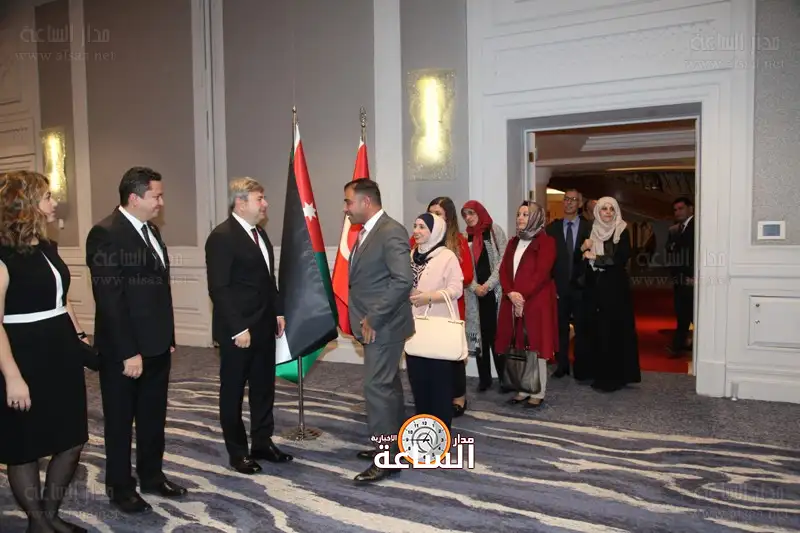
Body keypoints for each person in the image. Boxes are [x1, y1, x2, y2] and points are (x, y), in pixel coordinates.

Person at [85, 167, 186, 514]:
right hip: (124, 350)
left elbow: (160, 290)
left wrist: (167, 336)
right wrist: (129, 351)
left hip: (157, 345)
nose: (161, 202)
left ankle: (152, 476)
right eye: (156, 195)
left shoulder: (151, 230)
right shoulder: (105, 234)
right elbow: (110, 300)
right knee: (119, 421)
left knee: (153, 416)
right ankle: (120, 487)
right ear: (134, 197)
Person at [0, 171, 90, 533]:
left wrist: (80, 337)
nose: (55, 203)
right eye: (48, 197)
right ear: (26, 205)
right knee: (25, 445)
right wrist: (12, 377)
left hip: (60, 350)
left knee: (72, 439)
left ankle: (50, 515)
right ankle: (38, 523)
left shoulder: (48, 245)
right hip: (22, 354)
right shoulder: (3, 254)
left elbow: (62, 300)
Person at [205, 178, 292, 475]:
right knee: (233, 392)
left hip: (265, 326)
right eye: (260, 198)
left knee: (263, 388)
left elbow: (268, 280)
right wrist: (237, 328)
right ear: (241, 203)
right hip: (239, 331)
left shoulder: (260, 234)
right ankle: (238, 452)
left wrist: (278, 311)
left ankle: (262, 443)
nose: (265, 203)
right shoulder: (222, 237)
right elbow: (219, 288)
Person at [343, 179, 414, 484]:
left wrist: (373, 317)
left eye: (348, 202)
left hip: (383, 326)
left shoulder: (390, 231)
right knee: (388, 387)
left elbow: (403, 280)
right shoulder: (368, 231)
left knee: (377, 388)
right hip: (377, 325)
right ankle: (394, 448)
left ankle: (386, 458)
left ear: (366, 202)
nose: (346, 208)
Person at [495, 202, 558, 408]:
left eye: (526, 214)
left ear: (537, 218)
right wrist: (510, 293)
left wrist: (521, 296)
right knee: (518, 344)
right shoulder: (513, 242)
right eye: (519, 214)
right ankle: (522, 388)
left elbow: (541, 273)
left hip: (536, 301)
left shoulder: (546, 242)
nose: (520, 218)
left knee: (536, 346)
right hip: (513, 300)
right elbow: (504, 270)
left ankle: (538, 391)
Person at [416, 197, 473, 417]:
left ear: (448, 218)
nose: (434, 217)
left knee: (451, 353)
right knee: (427, 352)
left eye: (438, 213)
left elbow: (466, 276)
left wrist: (439, 284)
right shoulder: (418, 241)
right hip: (423, 308)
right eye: (430, 212)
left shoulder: (457, 241)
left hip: (449, 306)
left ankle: (458, 396)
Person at [406, 213, 464, 430]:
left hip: (438, 329)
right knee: (419, 384)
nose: (416, 231)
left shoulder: (447, 256)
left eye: (422, 227)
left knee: (440, 387)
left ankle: (440, 433)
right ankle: (423, 430)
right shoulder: (412, 254)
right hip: (414, 328)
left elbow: (456, 289)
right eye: (415, 226)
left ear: (435, 231)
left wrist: (428, 297)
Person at [580, 197, 641, 392]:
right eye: (604, 209)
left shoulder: (622, 230)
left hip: (615, 288)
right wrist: (582, 250)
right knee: (596, 330)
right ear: (597, 211)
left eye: (611, 209)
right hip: (594, 287)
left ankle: (613, 377)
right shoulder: (590, 230)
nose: (607, 212)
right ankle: (596, 372)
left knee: (613, 330)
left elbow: (621, 257)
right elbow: (579, 258)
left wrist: (596, 257)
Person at [461, 200, 508, 392]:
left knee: (497, 335)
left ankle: (505, 379)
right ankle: (485, 379)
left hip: (493, 293)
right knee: (481, 337)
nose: (468, 217)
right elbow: (462, 266)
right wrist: (475, 287)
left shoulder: (494, 231)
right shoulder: (465, 237)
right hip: (475, 295)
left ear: (480, 212)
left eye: (471, 213)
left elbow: (504, 260)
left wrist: (488, 285)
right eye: (465, 214)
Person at [545, 189, 592, 380]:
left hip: (582, 287)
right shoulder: (552, 229)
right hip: (559, 287)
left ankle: (581, 367)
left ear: (580, 204)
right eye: (566, 199)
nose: (569, 202)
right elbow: (547, 260)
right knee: (560, 328)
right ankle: (562, 365)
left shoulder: (589, 228)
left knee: (582, 328)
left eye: (573, 200)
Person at [665, 196, 695, 357]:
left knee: (690, 314)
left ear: (691, 209)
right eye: (675, 210)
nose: (677, 212)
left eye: (681, 208)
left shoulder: (698, 226)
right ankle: (681, 344)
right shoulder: (675, 229)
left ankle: (678, 346)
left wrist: (695, 276)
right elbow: (670, 250)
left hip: (692, 278)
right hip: (679, 278)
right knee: (682, 313)